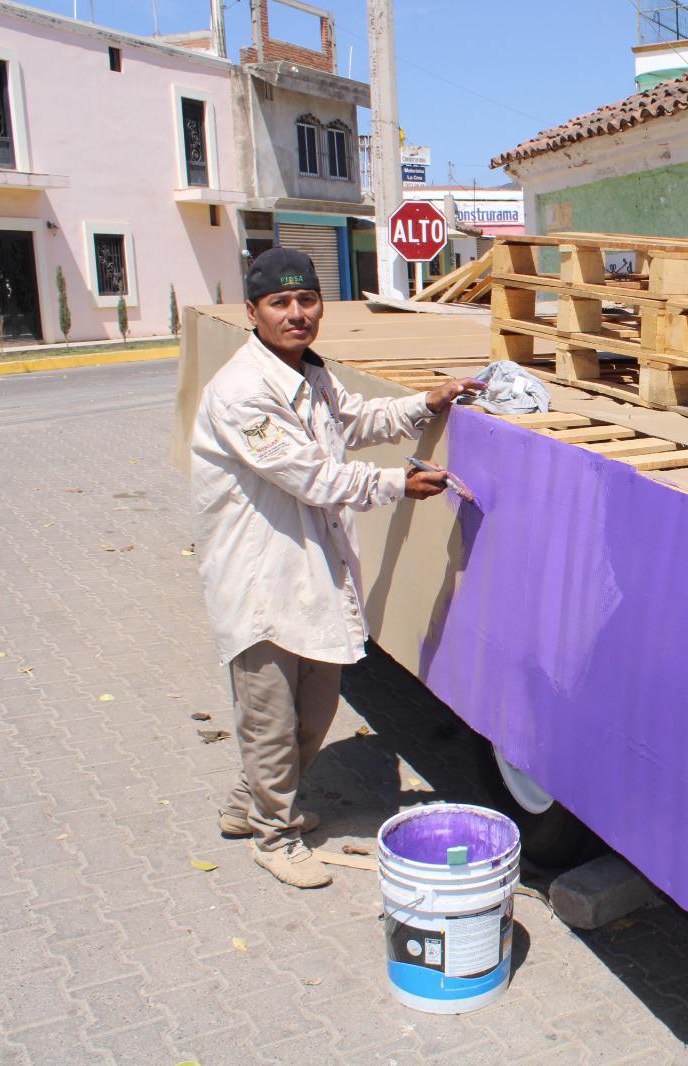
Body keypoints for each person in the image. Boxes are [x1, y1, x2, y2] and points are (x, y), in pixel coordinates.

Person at [190, 248, 481, 888]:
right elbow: (310, 474)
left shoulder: (309, 374)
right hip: (261, 576)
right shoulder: (243, 393)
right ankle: (273, 835)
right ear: (253, 313)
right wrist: (396, 483)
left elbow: (354, 420)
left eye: (306, 300)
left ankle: (250, 807)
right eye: (279, 303)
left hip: (310, 570)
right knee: (271, 716)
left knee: (314, 713)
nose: (296, 314)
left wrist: (424, 404)